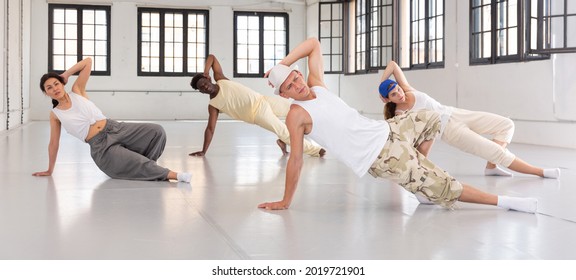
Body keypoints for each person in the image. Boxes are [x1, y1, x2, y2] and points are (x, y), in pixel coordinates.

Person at [258, 37, 537, 214]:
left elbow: (313, 44)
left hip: (389, 130)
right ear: (284, 94)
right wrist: (285, 201)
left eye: (295, 77)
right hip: (380, 156)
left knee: (433, 117)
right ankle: (504, 202)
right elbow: (295, 159)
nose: (298, 85)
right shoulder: (296, 114)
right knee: (446, 185)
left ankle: (418, 179)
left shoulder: (316, 85)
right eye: (290, 87)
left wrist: (279, 66)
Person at [378, 60, 560, 178]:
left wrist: (381, 85)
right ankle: (540, 172)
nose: (400, 94)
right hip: (448, 131)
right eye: (394, 94)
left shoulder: (408, 89)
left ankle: (491, 167)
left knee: (506, 125)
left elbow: (393, 65)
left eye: (398, 89)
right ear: (390, 99)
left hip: (455, 113)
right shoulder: (400, 115)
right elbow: (414, 139)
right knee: (496, 151)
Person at [33, 57, 191, 182]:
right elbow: (54, 143)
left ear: (62, 83)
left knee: (157, 131)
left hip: (115, 128)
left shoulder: (77, 90)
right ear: (47, 94)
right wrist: (50, 169)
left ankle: (147, 165)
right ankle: (176, 176)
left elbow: (87, 61)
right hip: (101, 147)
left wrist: (65, 75)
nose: (55, 88)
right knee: (138, 163)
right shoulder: (55, 114)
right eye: (49, 88)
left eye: (56, 84)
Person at [189, 54, 325, 157]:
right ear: (201, 91)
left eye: (204, 83)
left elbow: (211, 57)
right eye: (202, 88)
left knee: (294, 108)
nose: (205, 87)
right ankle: (316, 151)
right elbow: (210, 129)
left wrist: (205, 71)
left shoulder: (220, 79)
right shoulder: (213, 105)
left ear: (208, 79)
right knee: (283, 130)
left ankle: (288, 138)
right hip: (257, 114)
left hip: (262, 99)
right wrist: (203, 151)